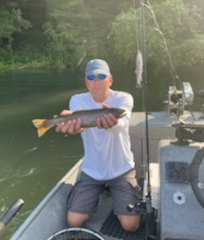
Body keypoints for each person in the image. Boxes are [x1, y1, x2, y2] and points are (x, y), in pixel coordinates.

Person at [55, 59, 140, 232]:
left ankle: (117, 197)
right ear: (86, 81)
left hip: (121, 169)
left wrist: (112, 123)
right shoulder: (77, 100)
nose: (96, 81)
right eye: (91, 77)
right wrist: (72, 128)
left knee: (130, 226)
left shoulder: (124, 98)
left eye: (101, 76)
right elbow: (78, 125)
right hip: (92, 171)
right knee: (74, 222)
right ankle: (97, 195)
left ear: (110, 80)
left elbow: (120, 125)